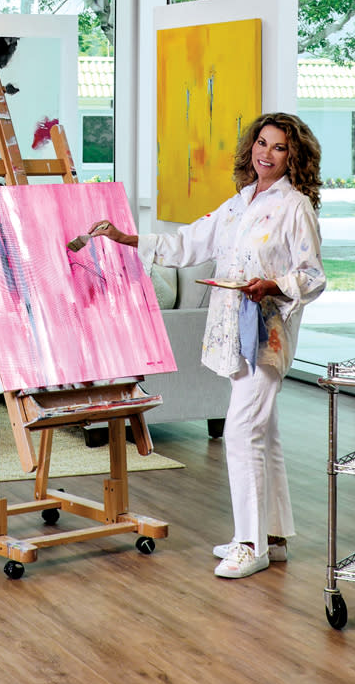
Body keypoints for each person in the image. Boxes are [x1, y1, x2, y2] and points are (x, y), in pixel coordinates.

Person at [79, 112, 325, 580]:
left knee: (240, 431)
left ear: (294, 157)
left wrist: (271, 284)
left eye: (277, 147)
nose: (265, 153)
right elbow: (187, 243)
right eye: (261, 142)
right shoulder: (238, 203)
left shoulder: (296, 207)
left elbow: (313, 276)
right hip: (234, 330)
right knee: (263, 432)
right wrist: (125, 238)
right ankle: (271, 538)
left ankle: (249, 544)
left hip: (267, 334)